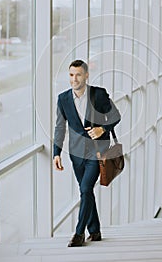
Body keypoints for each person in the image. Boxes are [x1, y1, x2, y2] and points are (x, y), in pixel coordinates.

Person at [53, 59, 121, 247]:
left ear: (86, 75)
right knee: (86, 191)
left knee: (85, 189)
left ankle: (79, 233)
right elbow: (60, 127)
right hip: (75, 154)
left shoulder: (98, 94)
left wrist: (102, 129)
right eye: (71, 75)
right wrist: (56, 153)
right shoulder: (63, 99)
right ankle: (96, 231)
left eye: (78, 75)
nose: (74, 79)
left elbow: (116, 116)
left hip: (97, 152)